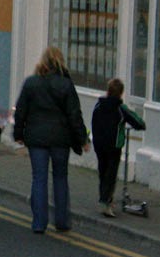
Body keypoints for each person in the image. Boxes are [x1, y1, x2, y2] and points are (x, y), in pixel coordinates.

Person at [13, 45, 88, 234]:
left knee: (39, 178)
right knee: (60, 177)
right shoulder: (66, 85)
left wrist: (18, 134)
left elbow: (21, 110)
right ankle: (62, 221)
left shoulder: (31, 83)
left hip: (36, 137)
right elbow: (74, 115)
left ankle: (39, 223)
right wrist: (83, 139)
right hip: (60, 138)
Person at [91, 77, 146, 218]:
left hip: (99, 143)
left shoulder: (98, 105)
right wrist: (141, 126)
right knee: (111, 173)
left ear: (108, 91)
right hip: (114, 145)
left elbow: (94, 122)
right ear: (121, 93)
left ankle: (104, 199)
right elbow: (138, 122)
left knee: (103, 172)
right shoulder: (120, 108)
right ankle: (106, 202)